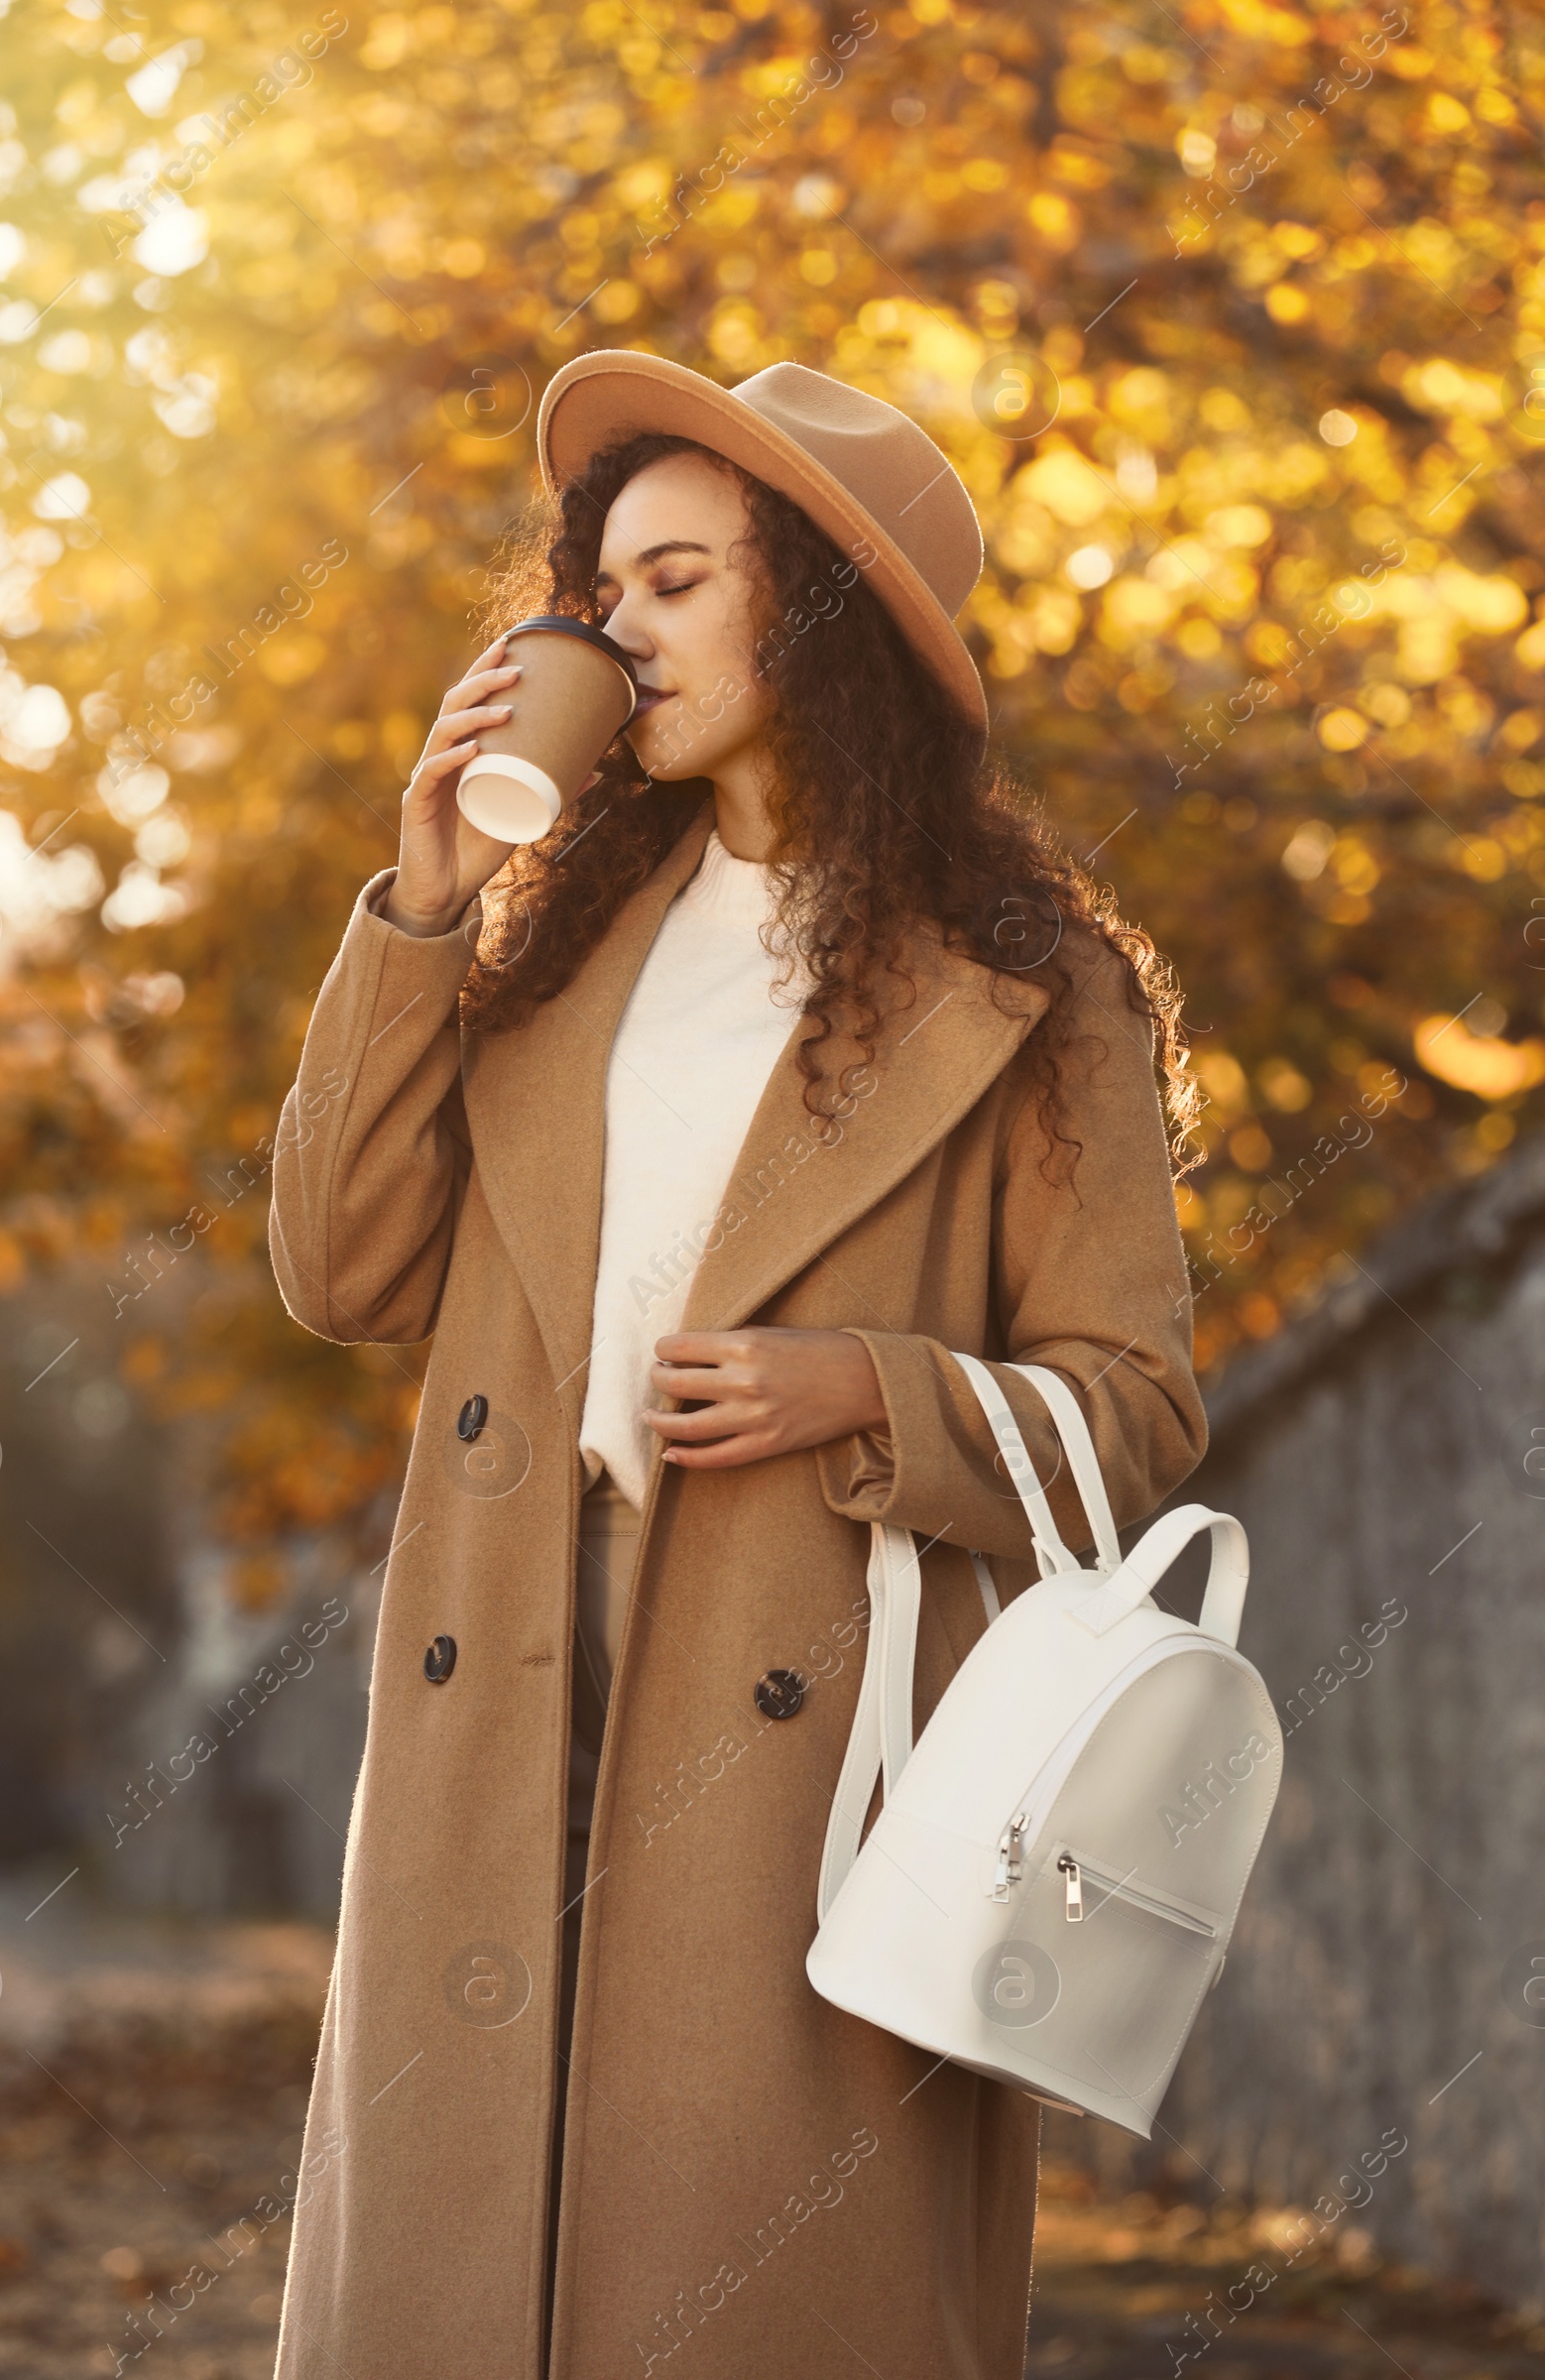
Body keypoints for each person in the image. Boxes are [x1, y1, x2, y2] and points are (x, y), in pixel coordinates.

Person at [267, 350, 1207, 2380]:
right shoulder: (541, 951)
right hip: (497, 1714)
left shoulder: (1032, 999)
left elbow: (1130, 1422)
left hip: (812, 1766)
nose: (619, 628)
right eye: (603, 588)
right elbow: (338, 1273)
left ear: (826, 611)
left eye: (678, 579)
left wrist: (866, 1388)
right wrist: (422, 901)